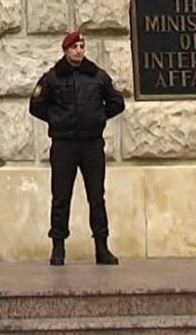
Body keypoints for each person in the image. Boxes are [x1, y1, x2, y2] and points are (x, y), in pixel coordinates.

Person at [28, 30, 125, 267]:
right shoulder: (52, 78)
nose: (79, 51)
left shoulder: (97, 76)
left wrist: (98, 118)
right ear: (66, 50)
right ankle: (58, 248)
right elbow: (36, 105)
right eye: (74, 47)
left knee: (96, 197)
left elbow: (116, 102)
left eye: (81, 46)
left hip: (91, 144)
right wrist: (57, 119)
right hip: (64, 145)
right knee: (61, 197)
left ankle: (102, 248)